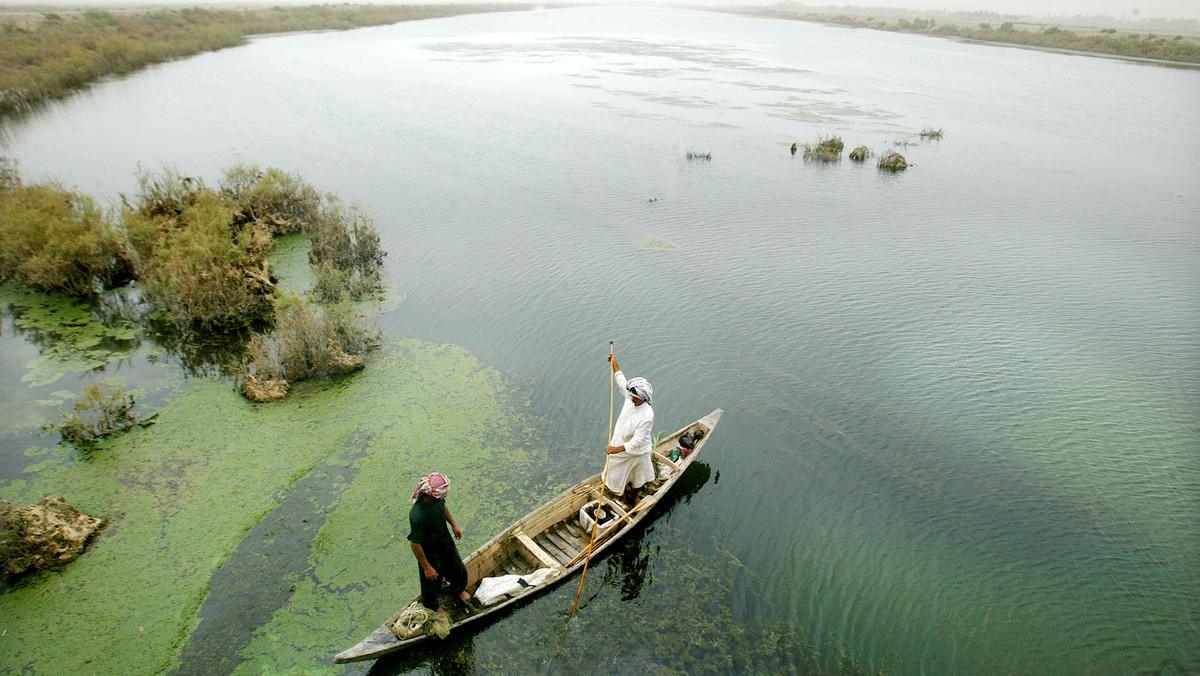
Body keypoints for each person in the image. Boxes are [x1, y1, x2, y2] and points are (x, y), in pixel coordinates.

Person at [408, 472, 473, 616]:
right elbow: (415, 544)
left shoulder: (437, 500)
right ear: (430, 495)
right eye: (441, 496)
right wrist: (427, 567)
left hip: (444, 540)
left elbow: (443, 508)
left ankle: (458, 589)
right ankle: (433, 606)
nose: (443, 498)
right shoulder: (418, 515)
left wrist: (453, 525)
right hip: (429, 549)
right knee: (431, 579)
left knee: (456, 566)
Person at [605, 352, 655, 508]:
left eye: (635, 397)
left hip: (638, 450)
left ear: (642, 398)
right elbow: (621, 381)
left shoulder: (647, 415)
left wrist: (617, 449)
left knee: (639, 476)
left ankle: (635, 497)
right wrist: (614, 363)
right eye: (631, 395)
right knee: (616, 472)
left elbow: (637, 440)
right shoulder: (630, 397)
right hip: (621, 441)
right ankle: (621, 498)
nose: (631, 398)